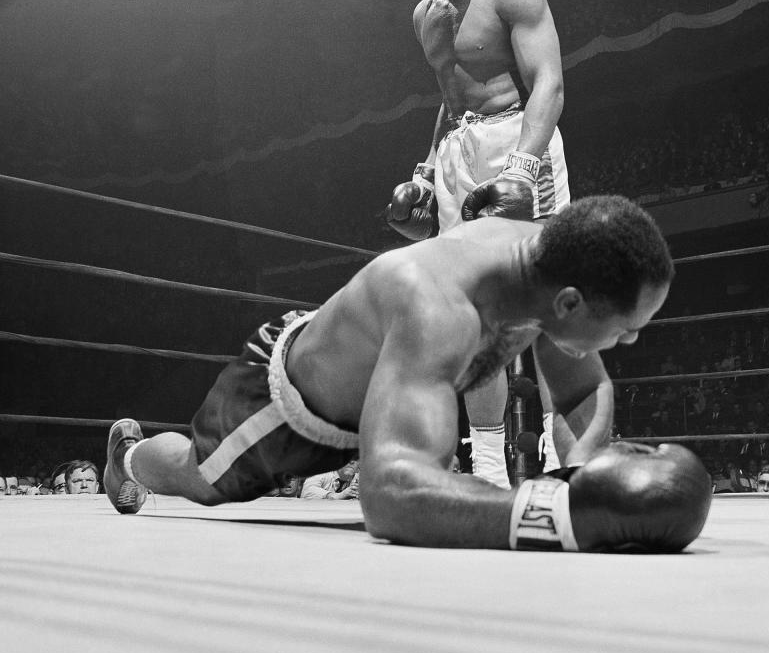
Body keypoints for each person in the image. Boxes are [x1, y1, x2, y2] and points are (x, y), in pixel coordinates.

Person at [104, 196, 712, 552]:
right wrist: (558, 515)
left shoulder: (548, 265)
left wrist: (579, 475)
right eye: (626, 327)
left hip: (383, 390)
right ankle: (126, 460)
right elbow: (390, 498)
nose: (629, 341)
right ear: (572, 304)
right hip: (290, 406)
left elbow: (585, 388)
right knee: (199, 477)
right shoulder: (439, 306)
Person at [385, 0, 570, 488]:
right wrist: (426, 164)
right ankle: (487, 471)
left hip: (521, 139)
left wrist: (523, 166)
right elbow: (454, 96)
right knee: (471, 312)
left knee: (549, 298)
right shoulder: (425, 13)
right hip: (459, 150)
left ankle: (562, 458)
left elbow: (549, 83)